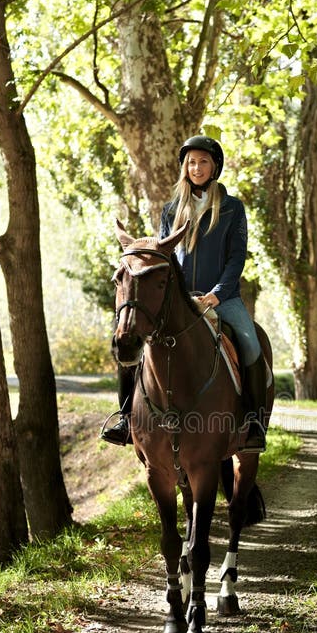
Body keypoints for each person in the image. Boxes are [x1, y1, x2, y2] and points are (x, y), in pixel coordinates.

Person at [101, 134, 267, 452]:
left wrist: (217, 294)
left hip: (223, 298)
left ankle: (253, 423)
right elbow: (165, 259)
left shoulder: (233, 209)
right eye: (191, 162)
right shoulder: (170, 210)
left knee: (250, 345)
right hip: (178, 300)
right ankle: (125, 418)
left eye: (203, 161)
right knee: (128, 340)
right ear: (184, 167)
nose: (197, 167)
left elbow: (237, 257)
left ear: (215, 166)